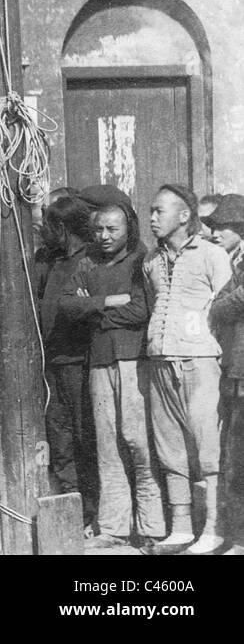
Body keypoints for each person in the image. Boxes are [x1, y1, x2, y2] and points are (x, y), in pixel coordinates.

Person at [62, 194, 163, 551]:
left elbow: (140, 310)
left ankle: (152, 526)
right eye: (99, 229)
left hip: (134, 360)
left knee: (138, 441)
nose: (104, 235)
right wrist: (104, 302)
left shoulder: (142, 258)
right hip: (99, 361)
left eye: (112, 229)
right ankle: (114, 527)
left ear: (128, 228)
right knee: (107, 445)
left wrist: (94, 315)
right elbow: (67, 304)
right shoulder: (87, 261)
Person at [145, 184, 231, 553]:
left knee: (208, 449)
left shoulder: (212, 255)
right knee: (170, 448)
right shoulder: (151, 261)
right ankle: (180, 528)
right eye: (151, 211)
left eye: (159, 211)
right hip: (160, 363)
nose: (151, 218)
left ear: (183, 216)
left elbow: (227, 311)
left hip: (200, 363)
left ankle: (214, 529)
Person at [36, 195, 100, 529]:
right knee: (59, 434)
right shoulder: (52, 261)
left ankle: (92, 508)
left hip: (78, 359)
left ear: (62, 227)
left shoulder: (88, 261)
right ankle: (72, 503)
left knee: (82, 434)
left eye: (47, 224)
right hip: (54, 360)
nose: (42, 229)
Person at [206, 194, 244, 555]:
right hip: (234, 372)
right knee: (234, 458)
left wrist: (218, 305)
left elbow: (230, 303)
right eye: (214, 226)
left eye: (225, 226)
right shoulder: (232, 261)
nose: (216, 232)